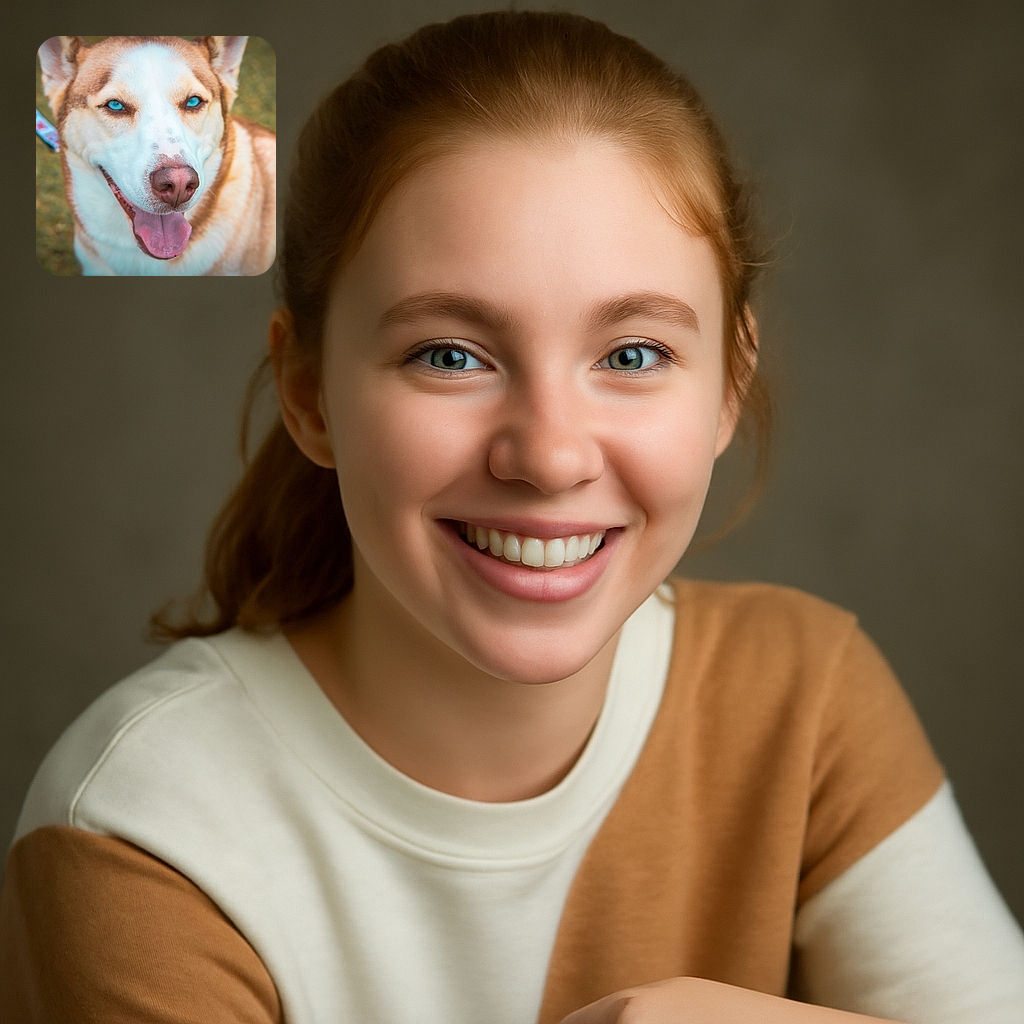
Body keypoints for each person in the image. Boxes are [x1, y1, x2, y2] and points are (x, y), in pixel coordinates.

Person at [2, 10, 1022, 1023]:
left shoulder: (803, 699)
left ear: (725, 386)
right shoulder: (141, 828)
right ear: (309, 394)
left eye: (630, 354)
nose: (548, 455)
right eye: (450, 354)